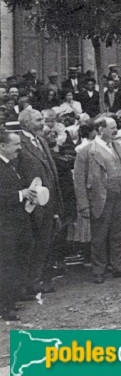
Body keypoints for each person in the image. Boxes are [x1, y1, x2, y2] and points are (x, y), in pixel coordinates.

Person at [73, 116, 121, 284]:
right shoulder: (86, 151)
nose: (115, 130)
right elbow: (79, 181)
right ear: (101, 129)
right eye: (112, 127)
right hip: (101, 199)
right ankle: (98, 270)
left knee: (118, 234)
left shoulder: (118, 146)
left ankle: (118, 267)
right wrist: (84, 206)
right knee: (99, 236)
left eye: (115, 127)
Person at [17, 107, 62, 295]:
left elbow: (50, 172)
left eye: (42, 119)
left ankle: (38, 280)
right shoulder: (19, 142)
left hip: (48, 202)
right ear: (26, 123)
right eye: (37, 120)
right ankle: (27, 285)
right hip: (31, 204)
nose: (42, 123)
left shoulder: (42, 141)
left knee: (44, 243)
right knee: (31, 246)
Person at [0, 129, 36, 321]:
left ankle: (13, 297)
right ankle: (6, 307)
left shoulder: (10, 165)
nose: (19, 148)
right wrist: (21, 194)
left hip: (17, 223)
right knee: (6, 264)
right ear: (3, 146)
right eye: (15, 144)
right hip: (4, 226)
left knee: (16, 261)